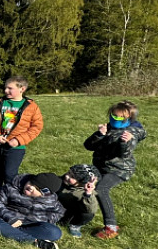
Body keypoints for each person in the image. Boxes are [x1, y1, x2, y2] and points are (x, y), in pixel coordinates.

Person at [83, 100, 146, 239]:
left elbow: (123, 154)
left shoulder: (130, 133)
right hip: (101, 167)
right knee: (80, 182)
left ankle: (111, 227)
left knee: (101, 189)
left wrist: (124, 143)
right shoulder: (108, 127)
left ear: (129, 118)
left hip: (120, 169)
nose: (116, 119)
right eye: (114, 115)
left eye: (120, 117)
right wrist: (99, 135)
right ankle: (75, 218)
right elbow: (88, 146)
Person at [0, 76, 44, 186]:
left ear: (22, 89)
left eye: (10, 88)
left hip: (16, 147)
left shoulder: (31, 106)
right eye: (5, 88)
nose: (6, 91)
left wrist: (18, 140)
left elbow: (37, 127)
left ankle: (11, 194)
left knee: (9, 175)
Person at [0, 173, 65, 249]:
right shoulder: (12, 188)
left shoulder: (50, 200)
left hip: (31, 224)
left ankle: (7, 232)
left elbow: (59, 212)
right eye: (31, 182)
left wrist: (45, 219)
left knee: (55, 233)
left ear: (44, 194)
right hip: (9, 219)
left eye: (37, 188)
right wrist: (9, 217)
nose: (31, 187)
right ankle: (33, 241)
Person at [57, 164, 101, 237]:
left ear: (82, 183)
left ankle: (75, 225)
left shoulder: (84, 193)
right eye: (69, 172)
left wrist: (88, 194)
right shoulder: (60, 181)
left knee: (88, 213)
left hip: (68, 215)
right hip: (53, 210)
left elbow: (91, 209)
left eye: (72, 177)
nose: (67, 176)